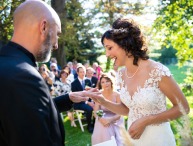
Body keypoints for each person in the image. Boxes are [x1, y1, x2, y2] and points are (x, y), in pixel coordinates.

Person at [0, 1, 95, 145]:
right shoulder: (24, 77)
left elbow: (23, 114)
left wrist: (68, 98)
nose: (56, 45)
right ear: (43, 27)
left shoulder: (7, 64)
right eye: (57, 34)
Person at [85, 18, 190, 146]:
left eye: (110, 48)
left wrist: (147, 120)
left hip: (158, 140)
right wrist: (102, 101)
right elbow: (128, 110)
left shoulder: (157, 71)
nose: (107, 54)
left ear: (125, 44)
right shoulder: (122, 75)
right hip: (133, 140)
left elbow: (183, 107)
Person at [92, 74, 124, 146]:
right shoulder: (99, 94)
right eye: (102, 82)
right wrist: (101, 119)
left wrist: (110, 120)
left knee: (108, 127)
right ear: (100, 84)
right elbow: (95, 112)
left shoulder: (117, 95)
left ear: (111, 82)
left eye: (107, 81)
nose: (105, 84)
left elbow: (120, 113)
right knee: (100, 124)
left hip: (115, 118)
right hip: (103, 117)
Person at [71, 65, 94, 133]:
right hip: (78, 103)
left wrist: (92, 101)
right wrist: (87, 102)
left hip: (88, 100)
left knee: (98, 105)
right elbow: (76, 97)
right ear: (77, 73)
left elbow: (91, 92)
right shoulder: (74, 83)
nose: (83, 73)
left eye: (84, 71)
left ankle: (94, 123)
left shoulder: (88, 81)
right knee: (89, 109)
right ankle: (89, 126)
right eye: (81, 72)